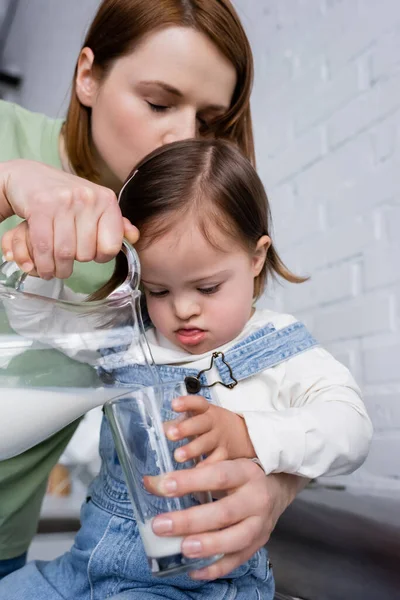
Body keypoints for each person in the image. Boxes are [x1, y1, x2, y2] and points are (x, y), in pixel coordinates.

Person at [0, 0, 327, 585]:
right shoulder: (9, 137)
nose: (181, 136)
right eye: (157, 103)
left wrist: (274, 487)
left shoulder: (171, 253)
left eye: (209, 122)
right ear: (87, 76)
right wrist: (6, 181)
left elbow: (289, 391)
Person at [0, 139, 372, 599]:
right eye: (158, 291)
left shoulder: (279, 347)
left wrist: (250, 435)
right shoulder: (129, 335)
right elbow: (39, 321)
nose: (183, 310)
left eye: (208, 287)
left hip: (198, 583)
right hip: (87, 568)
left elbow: (352, 428)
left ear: (256, 259)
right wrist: (44, 265)